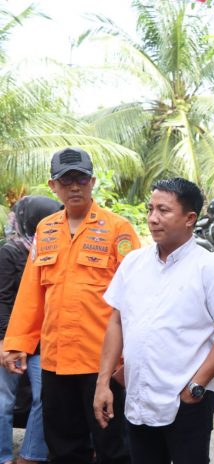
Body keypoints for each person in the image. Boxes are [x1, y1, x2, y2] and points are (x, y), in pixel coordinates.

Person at [2, 147, 139, 464]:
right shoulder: (46, 229)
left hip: (102, 362)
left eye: (81, 179)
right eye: (66, 180)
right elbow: (32, 291)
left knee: (113, 447)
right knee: (63, 448)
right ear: (54, 186)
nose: (74, 187)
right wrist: (17, 342)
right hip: (56, 361)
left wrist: (128, 358)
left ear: (93, 182)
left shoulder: (118, 229)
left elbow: (136, 298)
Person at [93, 178, 214, 464]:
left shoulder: (209, 269)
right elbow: (116, 322)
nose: (153, 218)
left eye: (163, 210)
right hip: (138, 397)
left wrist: (197, 385)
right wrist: (103, 383)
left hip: (187, 400)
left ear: (190, 218)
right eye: (150, 209)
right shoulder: (133, 263)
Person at [0, 196, 60, 464]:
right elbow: (2, 299)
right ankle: (3, 456)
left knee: (45, 397)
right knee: (3, 401)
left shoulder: (50, 250)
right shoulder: (10, 252)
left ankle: (31, 455)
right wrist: (5, 341)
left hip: (40, 340)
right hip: (11, 339)